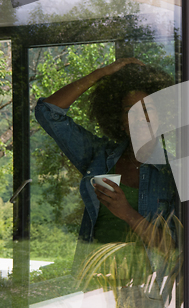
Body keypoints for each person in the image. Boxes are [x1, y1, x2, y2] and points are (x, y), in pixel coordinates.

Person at [34, 58, 178, 306]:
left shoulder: (174, 172)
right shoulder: (99, 156)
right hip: (95, 284)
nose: (139, 117)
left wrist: (127, 213)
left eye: (147, 109)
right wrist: (101, 73)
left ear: (162, 117)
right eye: (129, 111)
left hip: (148, 289)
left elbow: (175, 249)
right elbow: (48, 111)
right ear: (120, 121)